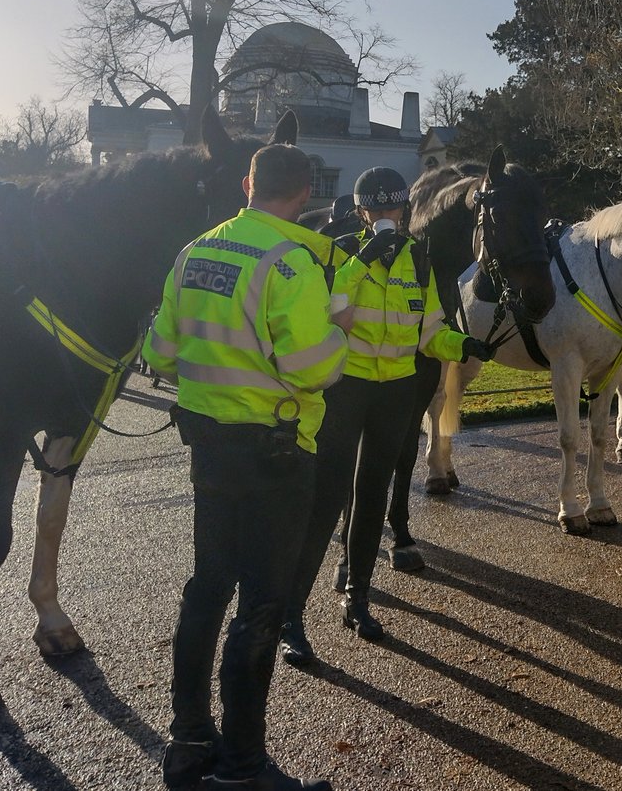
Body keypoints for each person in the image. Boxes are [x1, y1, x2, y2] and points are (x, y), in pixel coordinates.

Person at [143, 143, 351, 791]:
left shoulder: (197, 250)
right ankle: (241, 768)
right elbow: (314, 369)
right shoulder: (293, 264)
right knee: (261, 605)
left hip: (208, 448)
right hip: (276, 455)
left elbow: (162, 351)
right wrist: (338, 324)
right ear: (307, 194)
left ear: (248, 184)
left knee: (207, 587)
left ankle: (187, 740)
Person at [279, 166, 492, 666]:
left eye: (393, 209)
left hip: (395, 392)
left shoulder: (420, 259)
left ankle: (357, 598)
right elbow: (325, 313)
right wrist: (361, 262)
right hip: (346, 389)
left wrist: (463, 344)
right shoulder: (339, 253)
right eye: (376, 210)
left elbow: (428, 332)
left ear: (405, 211)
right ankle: (291, 613)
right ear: (361, 213)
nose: (386, 218)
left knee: (372, 495)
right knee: (327, 497)